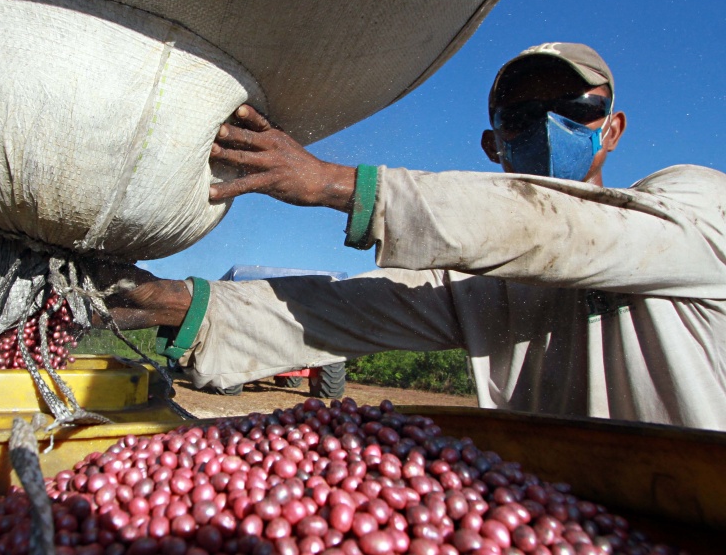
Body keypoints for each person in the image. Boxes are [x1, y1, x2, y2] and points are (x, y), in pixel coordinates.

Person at [104, 43, 726, 431]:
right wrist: (186, 303)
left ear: (611, 130)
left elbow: (563, 228)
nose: (544, 125)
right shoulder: (484, 283)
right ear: (494, 144)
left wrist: (336, 184)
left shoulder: (688, 206)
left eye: (574, 109)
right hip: (557, 512)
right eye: (519, 117)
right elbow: (354, 307)